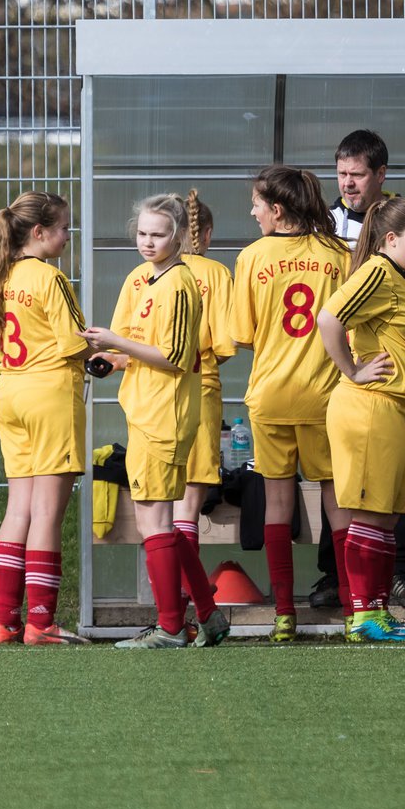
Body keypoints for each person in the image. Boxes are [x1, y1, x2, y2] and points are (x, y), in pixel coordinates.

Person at [81, 193, 227, 649]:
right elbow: (133, 348)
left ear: (180, 236)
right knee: (158, 521)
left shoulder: (181, 285)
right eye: (142, 233)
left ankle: (169, 628)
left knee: (155, 522)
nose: (148, 242)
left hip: (167, 413)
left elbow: (177, 358)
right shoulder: (138, 278)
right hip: (142, 408)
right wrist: (108, 356)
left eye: (159, 234)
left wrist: (116, 339)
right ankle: (207, 614)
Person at [317, 129, 405, 609]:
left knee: (387, 518)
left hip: (398, 408)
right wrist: (351, 369)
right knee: (369, 517)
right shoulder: (375, 269)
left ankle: (371, 608)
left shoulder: (400, 274)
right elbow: (328, 318)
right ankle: (362, 612)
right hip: (372, 407)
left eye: (358, 173)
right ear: (392, 239)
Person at [229, 166, 352, 643]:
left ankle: (284, 614)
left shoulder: (252, 257)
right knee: (337, 501)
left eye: (257, 204)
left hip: (270, 397)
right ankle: (351, 610)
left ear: (277, 210)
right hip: (326, 397)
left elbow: (243, 334)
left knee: (278, 504)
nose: (252, 211)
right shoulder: (338, 253)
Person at [0, 193, 89, 646]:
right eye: (63, 228)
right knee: (46, 513)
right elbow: (74, 343)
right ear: (38, 233)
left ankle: (5, 621)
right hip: (51, 396)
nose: (67, 236)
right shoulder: (50, 278)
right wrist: (110, 352)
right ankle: (41, 622)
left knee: (18, 509)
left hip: (10, 393)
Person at [174, 189, 236, 617]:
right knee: (188, 507)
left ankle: (170, 609)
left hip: (152, 395)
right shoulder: (215, 272)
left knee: (160, 505)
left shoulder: (148, 273)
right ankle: (196, 609)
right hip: (202, 387)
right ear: (206, 234)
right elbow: (226, 344)